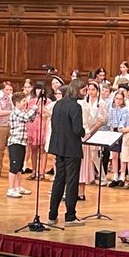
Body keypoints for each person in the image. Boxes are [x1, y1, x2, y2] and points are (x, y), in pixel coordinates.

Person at [47, 79, 85, 225]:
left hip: (59, 147)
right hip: (71, 148)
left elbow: (55, 125)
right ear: (76, 90)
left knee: (59, 180)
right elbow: (77, 129)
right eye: (83, 90)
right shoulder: (75, 106)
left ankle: (52, 215)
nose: (85, 93)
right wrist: (84, 132)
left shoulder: (58, 104)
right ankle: (70, 216)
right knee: (72, 182)